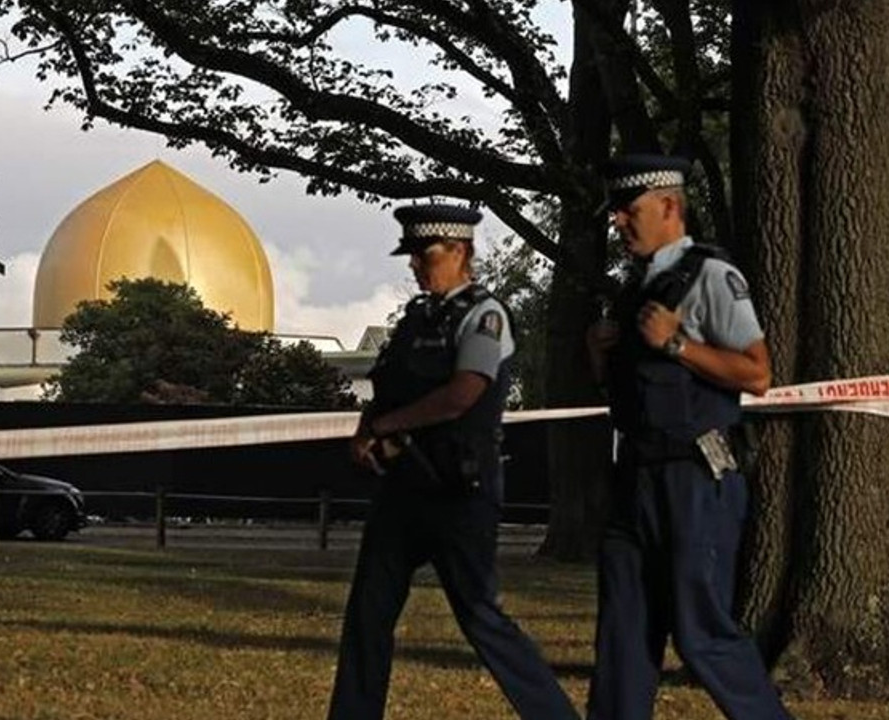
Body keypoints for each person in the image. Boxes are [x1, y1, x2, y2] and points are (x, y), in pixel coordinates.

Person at [327, 203, 579, 720]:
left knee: (479, 616)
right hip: (403, 488)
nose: (416, 265)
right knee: (368, 615)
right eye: (412, 255)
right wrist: (364, 430)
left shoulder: (484, 315)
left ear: (460, 251)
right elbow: (386, 388)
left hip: (459, 490)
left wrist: (388, 427)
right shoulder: (417, 317)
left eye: (426, 253)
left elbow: (463, 394)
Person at [584, 154, 794, 720]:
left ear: (670, 206)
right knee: (624, 638)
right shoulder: (633, 291)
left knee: (702, 636)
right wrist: (601, 358)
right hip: (635, 479)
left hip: (696, 479)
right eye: (616, 213)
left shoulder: (713, 277)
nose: (619, 223)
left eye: (630, 211)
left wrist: (678, 344)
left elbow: (758, 374)